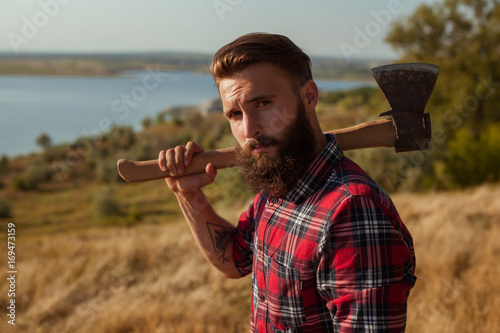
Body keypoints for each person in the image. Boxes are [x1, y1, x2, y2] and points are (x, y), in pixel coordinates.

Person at [158, 33, 416, 332]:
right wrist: (187, 195)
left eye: (263, 103)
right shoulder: (281, 183)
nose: (249, 129)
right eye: (235, 114)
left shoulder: (353, 211)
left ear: (309, 96)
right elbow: (233, 261)